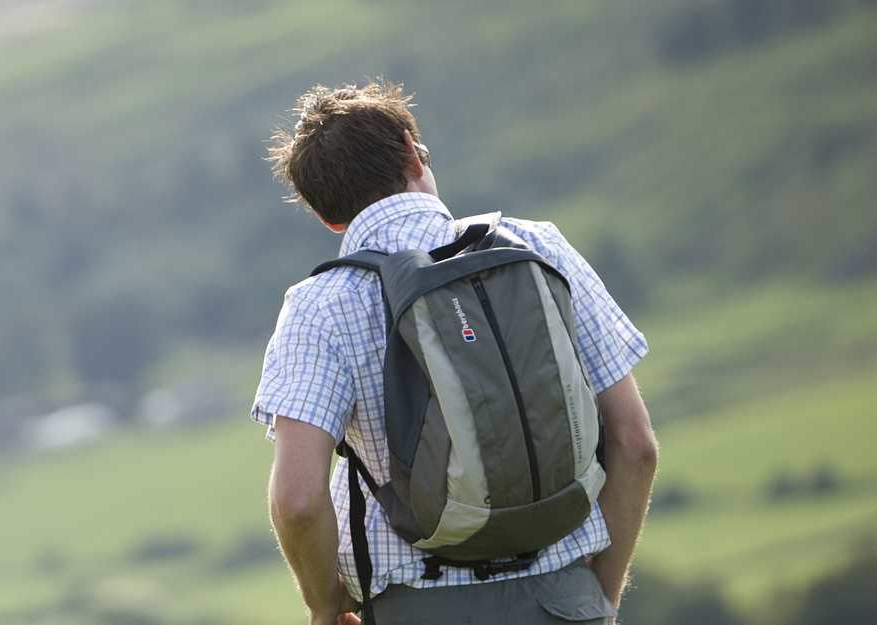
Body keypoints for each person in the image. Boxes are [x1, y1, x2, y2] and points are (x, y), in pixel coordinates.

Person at [254, 81, 659, 625]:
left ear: (329, 217)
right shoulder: (537, 247)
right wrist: (600, 597)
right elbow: (635, 445)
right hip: (566, 601)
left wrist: (326, 608)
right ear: (411, 150)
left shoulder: (319, 307)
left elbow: (298, 501)